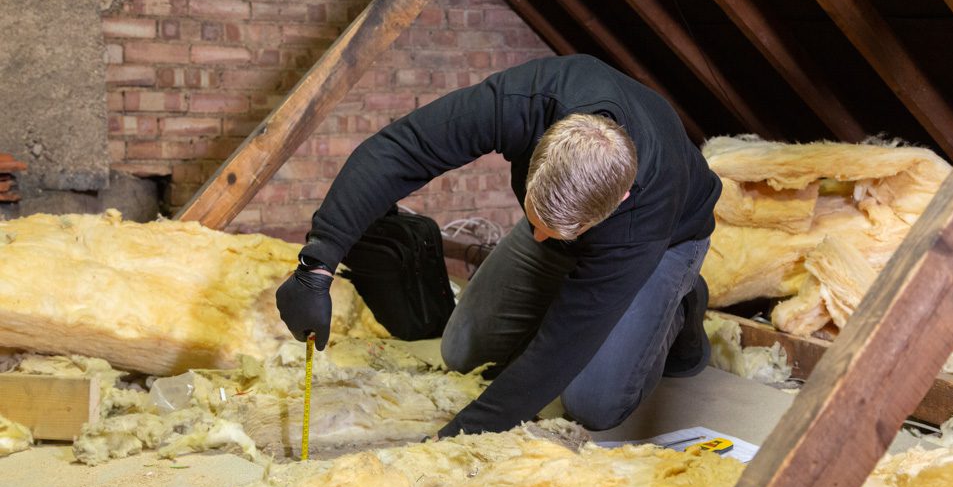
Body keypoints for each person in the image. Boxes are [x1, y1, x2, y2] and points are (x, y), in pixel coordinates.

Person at [275, 54, 721, 437]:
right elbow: (398, 150)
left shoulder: (642, 216)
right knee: (461, 351)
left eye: (557, 230)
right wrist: (316, 265)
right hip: (582, 228)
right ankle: (553, 239)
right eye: (537, 219)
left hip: (668, 245)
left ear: (619, 201)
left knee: (593, 403)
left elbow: (566, 342)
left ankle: (681, 308)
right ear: (538, 152)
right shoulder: (525, 101)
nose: (541, 237)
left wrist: (462, 437)